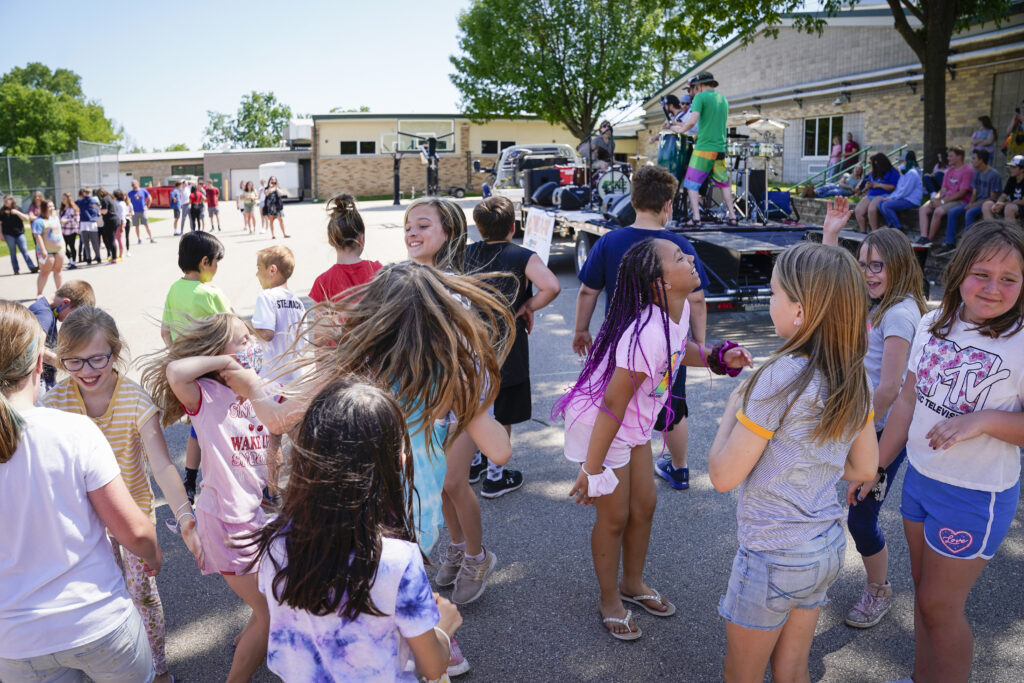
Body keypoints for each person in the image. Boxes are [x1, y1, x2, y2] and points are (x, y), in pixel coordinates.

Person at [223, 261, 514, 679]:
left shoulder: (349, 368)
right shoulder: (448, 377)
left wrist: (253, 389)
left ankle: (353, 647)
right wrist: (470, 398)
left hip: (349, 505)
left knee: (356, 579)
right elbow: (500, 452)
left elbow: (276, 421)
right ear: (442, 320)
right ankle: (421, 644)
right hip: (417, 513)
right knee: (399, 579)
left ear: (373, 313)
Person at [556, 238, 751, 640]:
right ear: (659, 284)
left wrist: (717, 356)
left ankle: (632, 582)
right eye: (679, 259)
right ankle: (610, 599)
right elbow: (611, 405)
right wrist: (592, 471)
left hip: (632, 424)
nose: (690, 258)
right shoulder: (646, 333)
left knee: (644, 504)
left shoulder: (672, 314)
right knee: (614, 517)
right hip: (605, 428)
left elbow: (682, 351)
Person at [707, 241, 879, 682]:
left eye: (774, 293)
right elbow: (863, 469)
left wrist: (734, 407)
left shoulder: (777, 378)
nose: (770, 302)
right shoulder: (852, 372)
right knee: (793, 669)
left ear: (800, 311)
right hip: (823, 548)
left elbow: (724, 475)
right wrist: (810, 459)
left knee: (741, 673)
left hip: (772, 555)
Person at [874, 220, 1024, 683]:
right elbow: (907, 400)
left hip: (975, 495)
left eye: (1010, 279)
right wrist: (875, 466)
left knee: (941, 606)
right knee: (924, 597)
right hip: (920, 478)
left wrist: (979, 421)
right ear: (959, 271)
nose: (993, 288)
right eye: (982, 273)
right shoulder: (932, 322)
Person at [250, 377, 464, 681]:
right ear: (398, 463)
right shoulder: (398, 560)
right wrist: (443, 628)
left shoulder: (275, 539)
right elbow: (432, 666)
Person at [0, 301, 160, 683]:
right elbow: (134, 531)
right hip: (97, 623)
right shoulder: (72, 428)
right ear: (43, 363)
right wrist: (153, 550)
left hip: (14, 643)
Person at [41, 306, 203, 683]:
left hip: (132, 517)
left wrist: (184, 516)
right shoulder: (54, 403)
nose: (87, 370)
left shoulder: (134, 401)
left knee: (142, 596)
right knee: (97, 600)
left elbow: (162, 465)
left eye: (97, 358)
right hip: (82, 524)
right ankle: (108, 665)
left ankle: (157, 669)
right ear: (61, 359)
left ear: (115, 352)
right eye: (74, 361)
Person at [141, 313, 275, 683]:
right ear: (217, 352)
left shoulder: (256, 388)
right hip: (229, 520)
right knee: (272, 613)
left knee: (266, 595)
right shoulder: (205, 394)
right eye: (242, 340)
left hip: (259, 514)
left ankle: (253, 630)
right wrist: (225, 363)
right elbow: (175, 372)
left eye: (251, 339)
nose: (251, 346)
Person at [823, 204, 929, 628]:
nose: (868, 273)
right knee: (832, 499)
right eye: (864, 264)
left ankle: (879, 590)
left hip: (881, 430)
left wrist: (862, 433)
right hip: (861, 424)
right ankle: (815, 571)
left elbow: (891, 387)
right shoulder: (877, 303)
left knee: (861, 512)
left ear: (899, 265)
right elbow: (832, 279)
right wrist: (831, 236)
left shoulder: (901, 313)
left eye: (877, 265)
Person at [404, 197, 512, 611]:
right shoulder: (410, 280)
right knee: (437, 485)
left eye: (423, 225)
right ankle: (454, 545)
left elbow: (467, 357)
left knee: (452, 482)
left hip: (466, 398)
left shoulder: (452, 287)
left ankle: (476, 557)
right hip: (427, 402)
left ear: (448, 233)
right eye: (408, 226)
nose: (412, 232)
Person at [573, 165, 710, 490]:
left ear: (632, 202)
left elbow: (588, 290)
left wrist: (581, 330)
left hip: (620, 350)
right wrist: (700, 344)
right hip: (667, 348)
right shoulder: (678, 245)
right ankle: (679, 468)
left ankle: (618, 468)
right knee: (672, 404)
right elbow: (698, 299)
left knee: (620, 406)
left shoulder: (609, 242)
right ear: (668, 205)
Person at [465, 196, 561, 498]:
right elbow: (552, 286)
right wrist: (527, 305)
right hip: (507, 341)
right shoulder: (522, 256)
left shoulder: (463, 255)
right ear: (513, 226)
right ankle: (496, 475)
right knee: (502, 408)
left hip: (472, 340)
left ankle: (474, 462)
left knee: (476, 402)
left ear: (479, 228)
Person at [161, 231, 233, 504]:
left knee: (195, 428)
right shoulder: (210, 292)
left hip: (186, 373)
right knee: (218, 431)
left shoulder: (174, 289)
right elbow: (232, 328)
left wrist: (178, 357)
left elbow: (165, 332)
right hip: (214, 374)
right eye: (216, 262)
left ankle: (189, 481)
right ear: (205, 262)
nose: (217, 269)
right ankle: (220, 482)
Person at [673, 71, 738, 227]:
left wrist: (680, 130)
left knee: (690, 183)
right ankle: (733, 217)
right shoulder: (723, 100)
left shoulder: (700, 97)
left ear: (700, 85)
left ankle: (696, 218)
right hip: (720, 148)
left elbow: (692, 120)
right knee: (724, 183)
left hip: (704, 148)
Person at [309, 193, 382, 304]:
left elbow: (319, 320)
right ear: (361, 238)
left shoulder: (322, 282)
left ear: (331, 241)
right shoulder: (378, 270)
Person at [27, 279, 96, 392]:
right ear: (65, 303)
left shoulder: (45, 309)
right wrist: (71, 366)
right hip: (39, 382)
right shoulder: (44, 314)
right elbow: (35, 348)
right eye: (74, 315)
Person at [937, 149, 1002, 255]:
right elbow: (974, 193)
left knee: (970, 213)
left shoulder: (994, 175)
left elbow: (993, 197)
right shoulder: (976, 173)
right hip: (976, 203)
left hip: (988, 203)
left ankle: (967, 244)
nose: (971, 161)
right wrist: (971, 203)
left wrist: (973, 205)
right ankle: (949, 243)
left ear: (981, 160)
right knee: (953, 212)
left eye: (974, 158)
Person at [917, 146, 973, 246]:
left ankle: (930, 240)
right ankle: (923, 237)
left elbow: (962, 193)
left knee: (938, 211)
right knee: (923, 209)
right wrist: (936, 198)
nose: (948, 158)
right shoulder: (949, 171)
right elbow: (943, 189)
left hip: (960, 200)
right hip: (946, 199)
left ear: (959, 157)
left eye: (951, 156)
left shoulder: (967, 171)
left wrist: (942, 202)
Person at [874, 151, 924, 230]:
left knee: (886, 205)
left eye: (902, 161)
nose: (900, 163)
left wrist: (891, 198)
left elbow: (905, 191)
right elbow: (899, 189)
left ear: (908, 161)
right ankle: (891, 224)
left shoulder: (912, 173)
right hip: (903, 198)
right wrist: (891, 197)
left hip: (911, 200)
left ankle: (898, 227)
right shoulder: (904, 173)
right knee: (880, 203)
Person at [854, 153, 899, 232]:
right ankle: (863, 232)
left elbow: (893, 187)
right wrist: (864, 189)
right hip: (871, 194)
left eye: (875, 163)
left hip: (884, 194)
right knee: (858, 210)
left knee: (871, 209)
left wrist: (878, 185)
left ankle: (874, 233)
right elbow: (870, 184)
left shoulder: (893, 172)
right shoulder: (873, 172)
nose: (874, 166)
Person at [32, 200, 65, 295]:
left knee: (58, 271)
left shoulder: (55, 218)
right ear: (43, 208)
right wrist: (43, 250)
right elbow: (37, 236)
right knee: (44, 272)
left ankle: (60, 292)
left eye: (53, 206)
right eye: (49, 207)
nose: (52, 208)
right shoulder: (39, 221)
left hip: (59, 249)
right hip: (47, 251)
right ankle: (39, 293)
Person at [982, 154, 1024, 222]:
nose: (1011, 169)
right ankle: (992, 230)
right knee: (987, 205)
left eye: (1014, 167)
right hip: (1011, 205)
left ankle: (1011, 232)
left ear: (1022, 169)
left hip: (1019, 207)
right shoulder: (1012, 179)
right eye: (1010, 167)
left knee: (1009, 208)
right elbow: (1004, 195)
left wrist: (1004, 204)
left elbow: (1022, 202)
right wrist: (997, 204)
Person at [75, 187, 102, 264]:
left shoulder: (80, 202)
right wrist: (96, 215)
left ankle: (88, 258)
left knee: (86, 243)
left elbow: (74, 206)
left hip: (83, 223)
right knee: (95, 242)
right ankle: (98, 257)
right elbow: (98, 210)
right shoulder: (93, 200)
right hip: (92, 223)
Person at [96, 188, 119, 264]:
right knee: (112, 239)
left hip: (110, 220)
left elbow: (105, 211)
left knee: (111, 240)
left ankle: (114, 258)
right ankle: (114, 256)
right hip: (115, 219)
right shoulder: (110, 198)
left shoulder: (104, 200)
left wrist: (98, 209)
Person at [127, 179, 154, 244]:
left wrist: (147, 206)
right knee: (136, 226)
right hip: (135, 212)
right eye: (132, 185)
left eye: (134, 184)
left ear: (137, 184)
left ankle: (151, 238)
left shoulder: (143, 190)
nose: (133, 186)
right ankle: (139, 239)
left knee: (146, 225)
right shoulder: (130, 193)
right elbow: (127, 201)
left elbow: (149, 198)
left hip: (142, 210)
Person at [58, 192, 80, 269]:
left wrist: (66, 221)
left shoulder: (73, 208)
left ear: (68, 199)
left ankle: (73, 263)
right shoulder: (62, 209)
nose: (63, 200)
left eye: (64, 198)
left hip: (71, 230)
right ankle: (70, 260)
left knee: (72, 246)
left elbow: (76, 219)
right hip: (63, 231)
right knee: (62, 247)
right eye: (62, 198)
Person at [114, 188, 130, 260]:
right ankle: (119, 254)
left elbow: (122, 216)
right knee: (118, 239)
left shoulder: (119, 204)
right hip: (120, 222)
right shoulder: (122, 203)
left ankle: (120, 255)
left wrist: (121, 226)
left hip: (119, 223)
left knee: (118, 239)